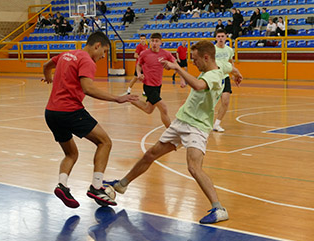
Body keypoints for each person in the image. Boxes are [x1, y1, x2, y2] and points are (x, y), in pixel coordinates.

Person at [103, 40, 243, 224]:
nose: (193, 62)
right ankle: (121, 185)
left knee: (194, 168)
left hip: (198, 127)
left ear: (206, 57)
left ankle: (219, 209)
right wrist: (238, 74)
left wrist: (177, 67)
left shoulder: (214, 76)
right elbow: (230, 67)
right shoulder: (220, 65)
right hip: (181, 121)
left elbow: (199, 85)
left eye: (195, 59)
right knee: (151, 154)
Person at [42, 32, 138, 208]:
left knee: (71, 154)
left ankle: (62, 185)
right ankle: (96, 186)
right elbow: (88, 89)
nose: (103, 56)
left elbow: (46, 65)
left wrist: (48, 76)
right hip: (70, 111)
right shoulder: (87, 60)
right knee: (105, 142)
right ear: (97, 46)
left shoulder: (66, 54)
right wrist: (117, 98)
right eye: (104, 51)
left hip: (51, 113)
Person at [132, 32, 176, 128]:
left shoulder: (166, 54)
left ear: (161, 42)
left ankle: (130, 99)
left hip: (158, 86)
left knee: (148, 110)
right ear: (150, 42)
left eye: (156, 41)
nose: (154, 43)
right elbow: (138, 65)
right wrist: (139, 74)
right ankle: (172, 133)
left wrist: (171, 67)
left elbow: (175, 64)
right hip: (148, 86)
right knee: (163, 108)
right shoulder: (144, 54)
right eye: (152, 41)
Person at [213, 29, 234, 132]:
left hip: (225, 77)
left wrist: (234, 73)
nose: (221, 38)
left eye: (222, 36)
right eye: (219, 36)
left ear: (226, 37)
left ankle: (217, 124)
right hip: (213, 78)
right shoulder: (212, 49)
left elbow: (230, 62)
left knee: (225, 101)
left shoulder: (229, 50)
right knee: (210, 102)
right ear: (216, 38)